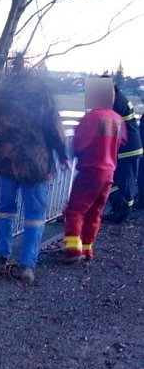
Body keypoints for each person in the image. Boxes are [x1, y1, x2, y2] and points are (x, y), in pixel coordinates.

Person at [0, 53, 71, 284]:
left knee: (5, 210)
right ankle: (26, 265)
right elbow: (52, 126)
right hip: (36, 162)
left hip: (7, 159)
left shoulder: (1, 91)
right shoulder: (41, 90)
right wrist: (62, 155)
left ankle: (1, 256)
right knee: (34, 215)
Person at [63, 77, 127, 263]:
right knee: (95, 211)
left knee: (76, 208)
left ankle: (73, 251)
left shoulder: (93, 116)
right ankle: (87, 249)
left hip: (91, 170)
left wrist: (72, 153)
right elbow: (122, 142)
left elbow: (80, 142)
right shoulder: (117, 119)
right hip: (109, 172)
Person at [103, 78, 143, 222]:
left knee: (116, 180)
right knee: (125, 182)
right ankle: (122, 210)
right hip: (131, 147)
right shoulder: (119, 97)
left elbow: (105, 120)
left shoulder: (115, 100)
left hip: (125, 149)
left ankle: (122, 209)